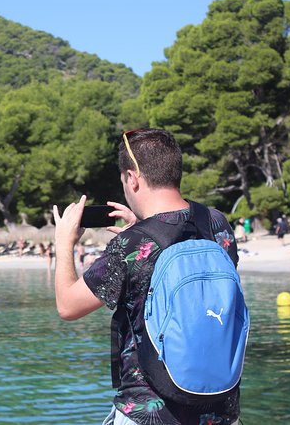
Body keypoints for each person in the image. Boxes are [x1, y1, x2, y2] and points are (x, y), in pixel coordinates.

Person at [53, 128, 240, 425]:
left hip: (150, 414)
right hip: (219, 412)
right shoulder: (216, 223)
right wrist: (143, 227)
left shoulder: (133, 244)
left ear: (133, 178)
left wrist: (64, 244)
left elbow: (68, 305)